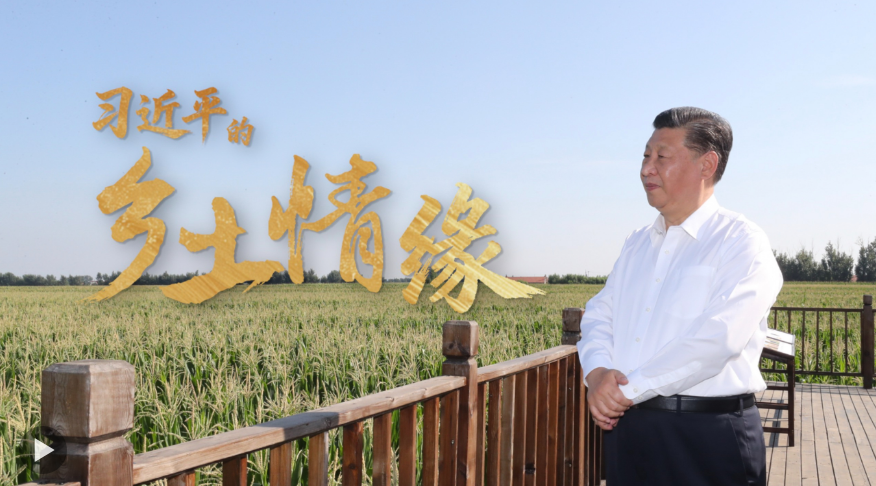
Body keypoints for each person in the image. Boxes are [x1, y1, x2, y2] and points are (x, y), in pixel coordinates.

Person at [577, 107, 784, 485]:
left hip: (706, 437)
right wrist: (598, 373)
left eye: (661, 157)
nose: (646, 169)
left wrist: (623, 392)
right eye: (645, 155)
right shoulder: (637, 244)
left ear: (707, 165)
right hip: (629, 429)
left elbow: (718, 338)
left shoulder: (741, 242)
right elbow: (599, 315)